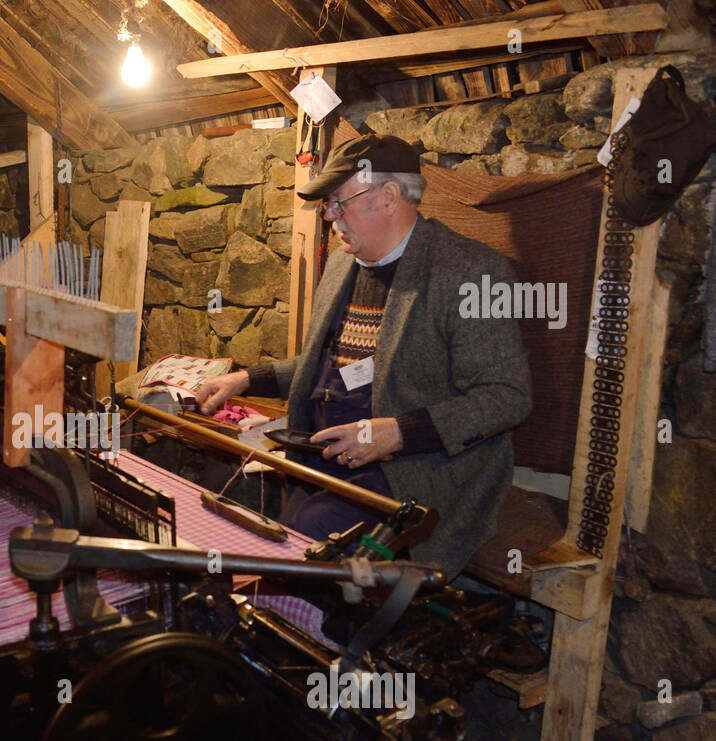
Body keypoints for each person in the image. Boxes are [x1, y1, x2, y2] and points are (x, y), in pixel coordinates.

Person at [195, 134, 532, 581]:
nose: (331, 218)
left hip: (416, 472)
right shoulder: (342, 266)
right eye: (328, 206)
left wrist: (393, 433)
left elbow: (506, 398)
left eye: (340, 202)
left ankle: (325, 640)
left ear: (389, 196)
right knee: (231, 510)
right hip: (327, 458)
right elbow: (329, 367)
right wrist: (244, 381)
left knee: (302, 554)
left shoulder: (470, 273)